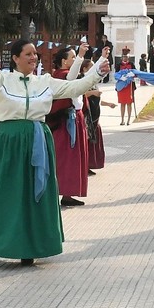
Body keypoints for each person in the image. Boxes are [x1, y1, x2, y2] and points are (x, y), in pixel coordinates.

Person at [0, 39, 109, 266]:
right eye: (28, 54)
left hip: (38, 140)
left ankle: (28, 246)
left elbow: (73, 88)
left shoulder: (45, 82)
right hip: (7, 140)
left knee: (32, 194)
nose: (33, 58)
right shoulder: (2, 79)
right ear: (16, 58)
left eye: (35, 54)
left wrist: (97, 71)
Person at [48, 45, 93, 207]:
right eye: (72, 57)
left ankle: (67, 194)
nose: (75, 60)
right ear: (63, 61)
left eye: (76, 57)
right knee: (65, 159)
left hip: (74, 120)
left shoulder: (66, 76)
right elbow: (71, 80)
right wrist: (81, 55)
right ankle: (57, 192)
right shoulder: (61, 77)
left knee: (72, 159)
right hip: (65, 123)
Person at [115, 49, 139, 127]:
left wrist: (132, 74)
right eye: (124, 56)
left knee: (129, 103)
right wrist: (121, 77)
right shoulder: (118, 65)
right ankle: (122, 119)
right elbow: (116, 74)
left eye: (126, 56)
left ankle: (128, 119)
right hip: (121, 86)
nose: (125, 58)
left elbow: (136, 73)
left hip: (129, 86)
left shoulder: (131, 64)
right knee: (122, 103)